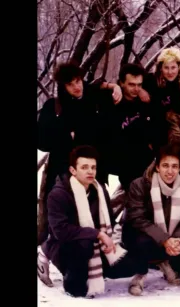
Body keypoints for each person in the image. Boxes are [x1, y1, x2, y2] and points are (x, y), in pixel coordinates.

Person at [38, 145, 138, 298]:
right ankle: (49, 256)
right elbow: (61, 231)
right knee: (79, 282)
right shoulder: (58, 194)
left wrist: (112, 240)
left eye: (93, 167)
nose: (90, 171)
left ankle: (95, 270)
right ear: (73, 170)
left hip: (94, 244)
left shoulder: (99, 190)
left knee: (130, 266)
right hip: (65, 245)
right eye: (84, 167)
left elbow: (110, 221)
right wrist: (98, 234)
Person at [37, 62, 120, 244]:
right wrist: (66, 135)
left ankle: (100, 254)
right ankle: (53, 253)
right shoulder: (54, 107)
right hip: (64, 175)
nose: (76, 86)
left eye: (78, 81)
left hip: (93, 173)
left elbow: (109, 131)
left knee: (99, 217)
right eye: (70, 84)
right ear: (63, 86)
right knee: (65, 221)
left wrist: (114, 86)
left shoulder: (95, 102)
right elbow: (41, 141)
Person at [121, 144, 180, 294]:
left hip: (172, 236)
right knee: (142, 242)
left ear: (179, 168)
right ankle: (140, 274)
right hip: (142, 234)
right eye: (165, 166)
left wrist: (177, 240)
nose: (170, 171)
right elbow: (137, 218)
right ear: (157, 167)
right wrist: (164, 239)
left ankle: (166, 262)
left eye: (174, 166)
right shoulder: (140, 185)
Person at [106, 63, 155, 191]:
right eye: (131, 84)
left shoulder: (143, 102)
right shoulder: (112, 101)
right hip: (125, 164)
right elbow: (90, 86)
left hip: (147, 163)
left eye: (139, 85)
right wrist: (112, 86)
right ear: (122, 83)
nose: (136, 89)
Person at [139, 47, 180, 151]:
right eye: (166, 68)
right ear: (161, 68)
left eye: (173, 67)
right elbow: (132, 82)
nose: (170, 72)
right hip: (160, 125)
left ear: (179, 67)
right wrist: (140, 90)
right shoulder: (152, 80)